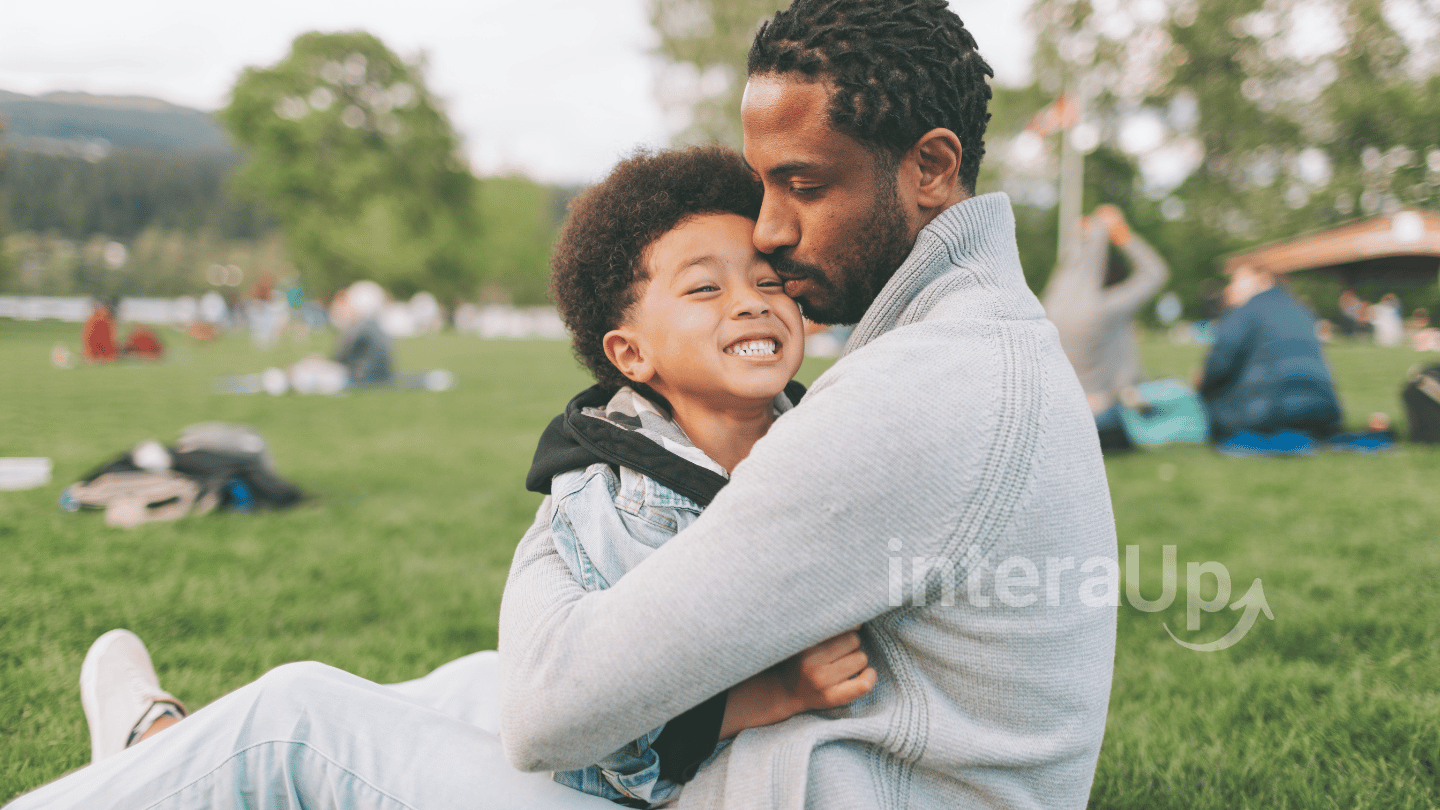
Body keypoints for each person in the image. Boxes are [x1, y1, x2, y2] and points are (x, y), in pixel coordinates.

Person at [8, 2, 1117, 807]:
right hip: (861, 774)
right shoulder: (985, 346)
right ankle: (160, 756)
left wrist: (575, 480)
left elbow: (554, 712)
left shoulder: (916, 394)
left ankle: (164, 761)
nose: (769, 231)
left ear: (930, 167)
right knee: (469, 681)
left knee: (299, 719)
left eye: (803, 184)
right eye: (764, 181)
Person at [531, 146, 878, 805]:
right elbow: (615, 738)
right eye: (704, 287)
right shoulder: (615, 500)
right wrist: (779, 692)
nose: (750, 303)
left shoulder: (831, 433)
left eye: (769, 281)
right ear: (630, 352)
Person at [1042, 204, 1169, 451]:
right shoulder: (1103, 309)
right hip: (1100, 419)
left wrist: (1084, 240)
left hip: (1058, 415)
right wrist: (1122, 234)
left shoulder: (1049, 304)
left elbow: (1070, 270)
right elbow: (1155, 273)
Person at [1199, 264, 1342, 441]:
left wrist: (1200, 384)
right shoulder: (1303, 310)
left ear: (1264, 279)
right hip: (1324, 413)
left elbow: (1219, 365)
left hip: (1267, 412)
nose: (1230, 287)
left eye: (1236, 280)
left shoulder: (1245, 310)